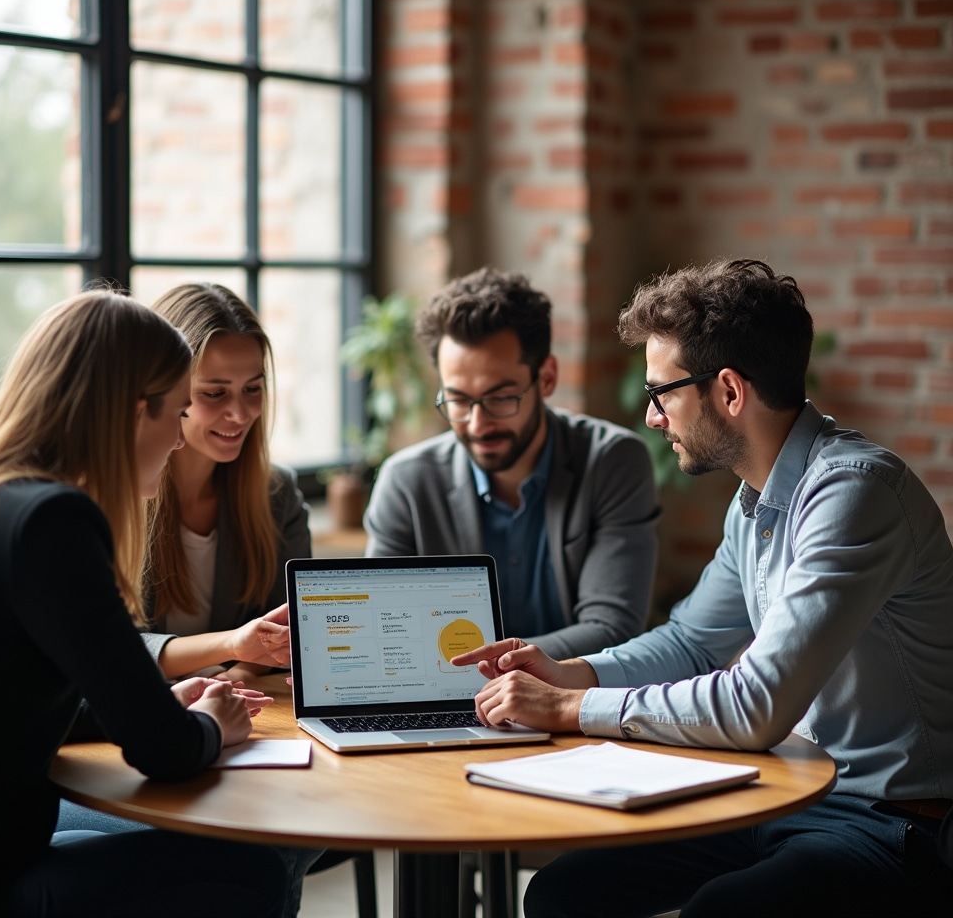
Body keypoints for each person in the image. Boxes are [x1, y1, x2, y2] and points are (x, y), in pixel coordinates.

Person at [452, 259, 953, 916]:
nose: (653, 417)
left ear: (729, 392)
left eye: (662, 392)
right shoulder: (755, 502)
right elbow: (693, 641)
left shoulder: (854, 493)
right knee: (563, 893)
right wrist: (569, 673)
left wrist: (566, 710)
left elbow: (755, 706)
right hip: (781, 793)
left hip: (888, 821)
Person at [0, 290, 303, 918]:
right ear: (135, 413)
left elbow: (1, 700)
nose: (180, 440)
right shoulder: (52, 520)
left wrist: (158, 705)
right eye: (179, 411)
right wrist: (215, 725)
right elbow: (165, 753)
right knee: (251, 872)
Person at [364, 267, 660, 659]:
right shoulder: (405, 482)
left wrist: (486, 666)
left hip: (570, 705)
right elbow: (384, 626)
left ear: (547, 378)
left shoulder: (612, 461)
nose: (477, 422)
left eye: (500, 397)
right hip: (449, 703)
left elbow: (612, 627)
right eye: (457, 400)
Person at [141, 282, 305, 680]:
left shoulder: (277, 497)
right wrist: (231, 647)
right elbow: (104, 644)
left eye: (253, 389)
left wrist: (234, 681)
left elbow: (293, 632)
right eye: (214, 393)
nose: (240, 412)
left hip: (239, 710)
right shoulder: (107, 498)